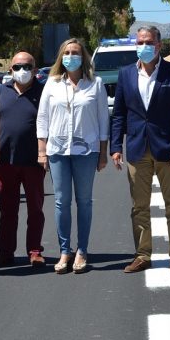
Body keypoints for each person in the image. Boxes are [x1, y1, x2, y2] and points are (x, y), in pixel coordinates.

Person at [111, 26, 170, 274]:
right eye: (140, 41)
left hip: (167, 148)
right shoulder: (125, 74)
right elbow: (119, 114)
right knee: (139, 206)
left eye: (148, 41)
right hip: (136, 148)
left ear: (158, 46)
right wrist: (116, 146)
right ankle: (142, 254)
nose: (143, 45)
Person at [36, 38, 109, 275]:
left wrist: (103, 153)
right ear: (61, 57)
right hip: (57, 150)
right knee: (61, 202)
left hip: (86, 151)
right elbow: (43, 118)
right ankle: (64, 250)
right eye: (66, 52)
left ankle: (82, 250)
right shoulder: (53, 83)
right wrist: (42, 150)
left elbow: (103, 121)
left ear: (83, 56)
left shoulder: (95, 84)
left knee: (84, 201)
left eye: (75, 52)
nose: (70, 56)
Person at [0, 51, 47, 268]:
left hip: (34, 161)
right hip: (5, 161)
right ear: (10, 70)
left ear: (35, 70)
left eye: (27, 67)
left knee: (35, 208)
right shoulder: (0, 92)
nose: (22, 71)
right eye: (17, 67)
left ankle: (35, 251)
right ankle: (5, 253)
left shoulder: (43, 93)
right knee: (7, 209)